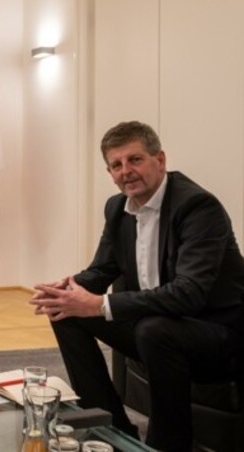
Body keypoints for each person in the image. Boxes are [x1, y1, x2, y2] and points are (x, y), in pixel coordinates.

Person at [30, 120, 244, 450]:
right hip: (157, 325)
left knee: (153, 330)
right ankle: (110, 429)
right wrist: (66, 288)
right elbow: (101, 270)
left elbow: (189, 293)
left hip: (216, 336)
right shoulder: (117, 208)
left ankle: (169, 444)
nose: (126, 171)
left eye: (135, 159)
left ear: (160, 160)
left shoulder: (198, 207)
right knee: (67, 312)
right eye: (116, 165)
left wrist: (100, 305)